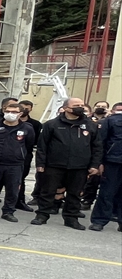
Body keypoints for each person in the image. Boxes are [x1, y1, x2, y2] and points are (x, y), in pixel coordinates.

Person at [32, 97, 102, 231]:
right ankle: (42, 215)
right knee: (47, 192)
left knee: (75, 194)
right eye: (76, 105)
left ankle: (71, 218)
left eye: (82, 105)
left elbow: (97, 147)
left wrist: (94, 165)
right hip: (54, 165)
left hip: (80, 166)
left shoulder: (90, 125)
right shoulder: (51, 124)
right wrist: (40, 164)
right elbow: (42, 146)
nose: (80, 108)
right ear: (65, 108)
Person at [89, 103, 122, 231]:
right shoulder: (110, 120)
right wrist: (99, 163)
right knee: (107, 192)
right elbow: (100, 143)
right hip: (112, 161)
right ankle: (99, 221)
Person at [81, 101, 112, 210]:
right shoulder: (86, 120)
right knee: (89, 179)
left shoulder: (110, 121)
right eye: (98, 106)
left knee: (100, 179)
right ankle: (85, 200)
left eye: (103, 107)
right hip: (87, 152)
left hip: (105, 153)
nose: (100, 108)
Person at [16, 100, 41, 209]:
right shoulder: (7, 122)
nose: (25, 109)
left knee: (21, 179)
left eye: (27, 107)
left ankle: (19, 201)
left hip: (25, 155)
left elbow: (34, 141)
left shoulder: (35, 124)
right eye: (22, 107)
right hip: (6, 155)